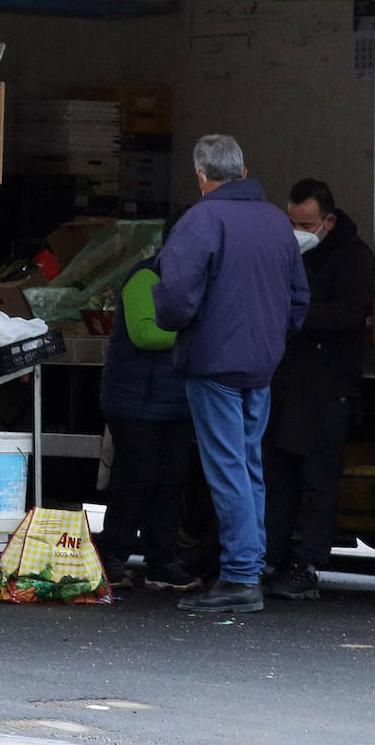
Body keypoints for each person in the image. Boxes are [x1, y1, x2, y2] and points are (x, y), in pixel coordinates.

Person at [152, 135, 309, 614]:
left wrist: (169, 320)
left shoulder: (201, 219)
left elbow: (176, 296)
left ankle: (240, 577)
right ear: (243, 171)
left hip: (215, 361)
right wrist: (272, 342)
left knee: (227, 467)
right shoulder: (276, 223)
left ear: (202, 177)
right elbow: (299, 298)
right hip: (261, 364)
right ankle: (250, 564)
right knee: (248, 463)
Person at [263, 179, 375, 600]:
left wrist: (293, 314)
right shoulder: (287, 252)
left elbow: (349, 315)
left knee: (317, 479)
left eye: (305, 223)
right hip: (287, 380)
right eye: (291, 222)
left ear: (328, 221)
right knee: (277, 477)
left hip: (328, 385)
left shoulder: (355, 258)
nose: (297, 230)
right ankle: (271, 557)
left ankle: (306, 562)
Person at [96, 220, 201, 593]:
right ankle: (111, 555)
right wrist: (198, 331)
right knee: (139, 478)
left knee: (171, 482)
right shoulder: (144, 277)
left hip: (176, 400)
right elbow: (145, 333)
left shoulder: (199, 281)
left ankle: (162, 562)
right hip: (133, 400)